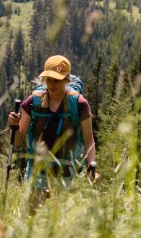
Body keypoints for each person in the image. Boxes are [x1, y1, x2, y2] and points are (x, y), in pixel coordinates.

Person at [7, 55, 98, 207]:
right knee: (36, 224)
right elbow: (17, 141)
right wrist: (13, 126)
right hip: (38, 176)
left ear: (67, 80)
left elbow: (89, 140)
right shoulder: (32, 102)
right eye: (49, 79)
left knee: (65, 227)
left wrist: (91, 167)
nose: (52, 84)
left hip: (69, 177)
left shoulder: (80, 104)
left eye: (57, 80)